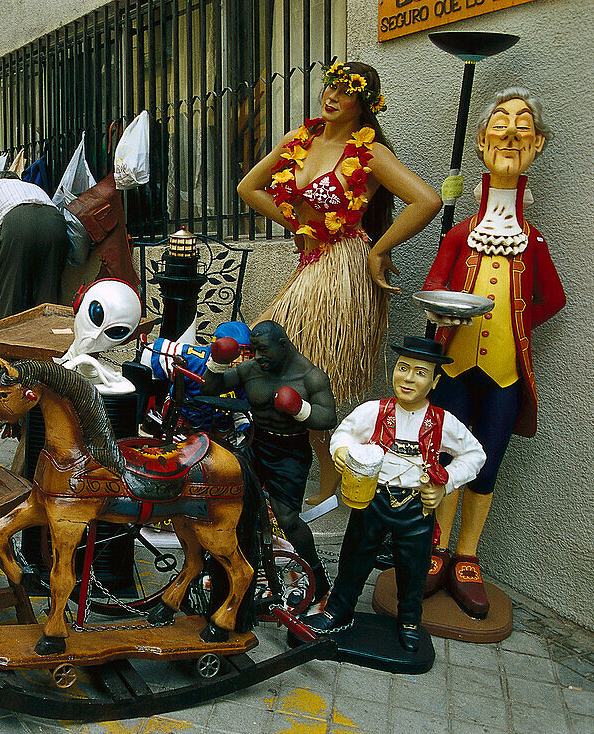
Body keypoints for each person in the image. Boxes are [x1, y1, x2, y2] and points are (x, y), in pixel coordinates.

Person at [237, 61, 442, 506]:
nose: (331, 95)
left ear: (364, 103)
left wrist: (378, 249)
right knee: (276, 361)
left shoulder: (369, 154)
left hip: (341, 272)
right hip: (310, 263)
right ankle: (311, 471)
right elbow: (249, 188)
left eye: (345, 90)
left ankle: (330, 479)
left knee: (305, 370)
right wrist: (295, 222)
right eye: (330, 84)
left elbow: (427, 200)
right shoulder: (299, 140)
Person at [422, 88, 565, 619]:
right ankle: (436, 547)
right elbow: (436, 282)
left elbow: (553, 298)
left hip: (505, 374)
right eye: (500, 123)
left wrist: (517, 327)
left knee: (488, 461)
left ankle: (467, 555)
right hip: (455, 369)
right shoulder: (462, 233)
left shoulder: (532, 240)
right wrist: (442, 311)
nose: (510, 132)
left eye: (522, 124)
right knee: (445, 457)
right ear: (481, 142)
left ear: (538, 143)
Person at [305, 337, 485, 652]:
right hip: (373, 498)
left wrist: (445, 483)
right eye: (403, 368)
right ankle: (338, 610)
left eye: (420, 372)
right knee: (354, 557)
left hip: (416, 507)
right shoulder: (374, 411)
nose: (408, 378)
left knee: (413, 567)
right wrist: (343, 451)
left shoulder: (443, 423)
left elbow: (475, 455)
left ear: (434, 381)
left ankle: (410, 620)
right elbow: (344, 432)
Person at [201, 320, 338, 601]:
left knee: (287, 518)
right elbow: (210, 389)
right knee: (230, 505)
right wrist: (216, 362)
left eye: (264, 350)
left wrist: (299, 409)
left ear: (283, 345)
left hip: (290, 452)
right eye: (254, 350)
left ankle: (318, 576)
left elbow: (328, 418)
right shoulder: (252, 369)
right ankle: (220, 569)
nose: (259, 357)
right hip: (256, 443)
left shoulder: (310, 376)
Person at [0, 170, 66, 320]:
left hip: (19, 222)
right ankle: (47, 335)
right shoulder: (33, 187)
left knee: (10, 288)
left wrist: (3, 231)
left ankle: (5, 337)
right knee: (48, 290)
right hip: (55, 223)